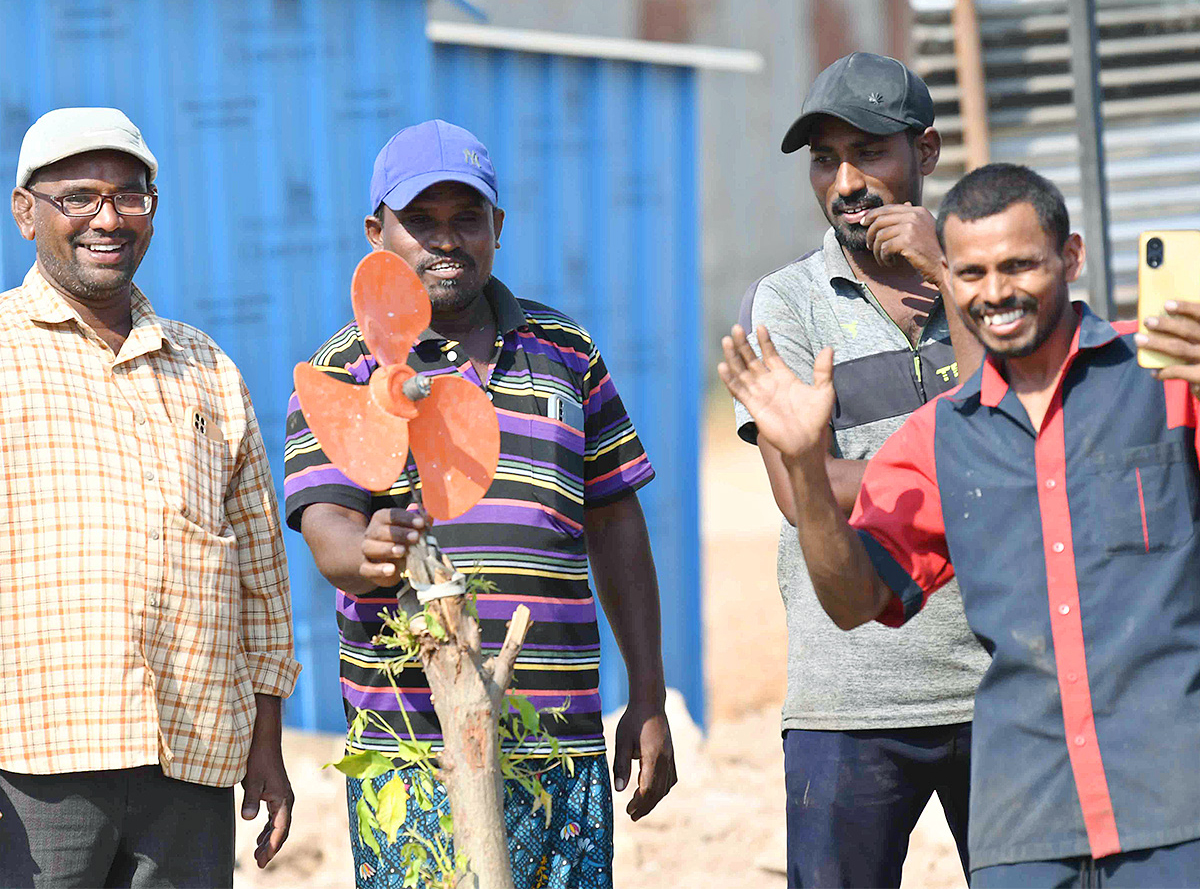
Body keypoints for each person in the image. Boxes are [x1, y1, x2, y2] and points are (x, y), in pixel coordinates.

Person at [722, 162, 1200, 886]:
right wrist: (805, 472)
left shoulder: (1166, 379)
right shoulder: (941, 437)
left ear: (1070, 258)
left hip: (1177, 807)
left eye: (1020, 265)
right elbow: (855, 602)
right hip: (1026, 828)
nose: (995, 293)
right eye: (971, 273)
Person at [283, 119, 676, 889]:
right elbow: (326, 527)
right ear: (377, 233)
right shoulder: (348, 369)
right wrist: (367, 553)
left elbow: (616, 522)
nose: (446, 240)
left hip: (560, 745)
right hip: (412, 750)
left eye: (467, 218)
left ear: (497, 226)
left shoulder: (568, 351)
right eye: (420, 222)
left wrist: (650, 694)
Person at [0, 108, 300, 888]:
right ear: (26, 212)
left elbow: (261, 579)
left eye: (130, 197)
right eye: (79, 197)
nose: (108, 218)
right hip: (33, 771)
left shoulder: (206, 369)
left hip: (189, 765)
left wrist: (265, 744)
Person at [732, 52, 989, 887]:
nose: (845, 182)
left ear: (928, 151)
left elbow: (1034, 437)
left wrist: (949, 277)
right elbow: (802, 490)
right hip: (850, 702)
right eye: (824, 159)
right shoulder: (789, 304)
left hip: (1009, 689)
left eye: (869, 152)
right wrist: (985, 473)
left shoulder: (993, 286)